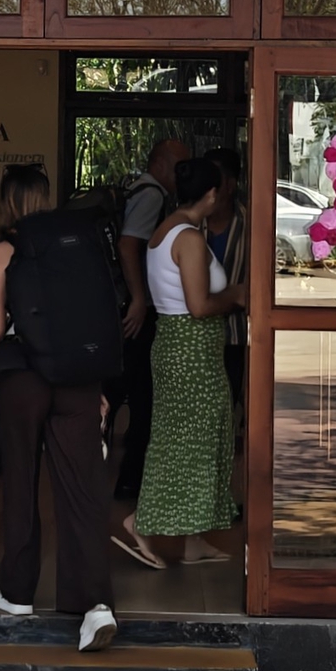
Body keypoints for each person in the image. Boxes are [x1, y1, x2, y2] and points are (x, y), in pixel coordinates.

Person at [0, 164, 118, 651]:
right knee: (83, 490)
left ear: (6, 203)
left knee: (21, 482)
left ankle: (17, 594)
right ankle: (94, 604)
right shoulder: (77, 248)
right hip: (76, 378)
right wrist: (92, 383)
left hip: (21, 376)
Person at [115, 156, 241, 571]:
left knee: (192, 440)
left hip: (178, 347)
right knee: (187, 443)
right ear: (211, 194)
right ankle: (140, 521)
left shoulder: (165, 230)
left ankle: (192, 540)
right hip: (190, 349)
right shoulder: (188, 238)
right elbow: (199, 305)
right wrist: (238, 295)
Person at [110, 135, 189, 501]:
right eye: (178, 167)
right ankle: (131, 480)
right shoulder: (152, 194)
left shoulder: (136, 188)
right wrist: (139, 299)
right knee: (142, 396)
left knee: (122, 389)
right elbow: (129, 243)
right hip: (136, 313)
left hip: (125, 308)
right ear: (160, 164)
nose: (181, 175)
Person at [202, 143, 250, 455]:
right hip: (197, 336)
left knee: (231, 406)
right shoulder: (188, 225)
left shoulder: (253, 224)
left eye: (214, 178)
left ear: (230, 185)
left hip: (234, 337)